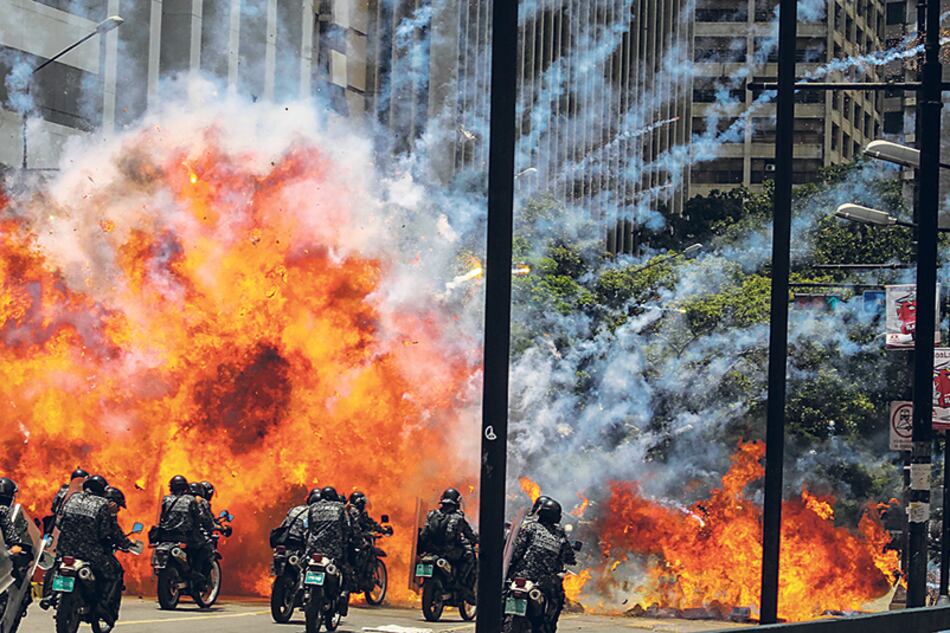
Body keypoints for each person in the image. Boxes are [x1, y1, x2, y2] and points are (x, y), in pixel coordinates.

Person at [53, 476, 125, 624]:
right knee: (115, 571)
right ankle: (103, 606)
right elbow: (105, 532)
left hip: (65, 550)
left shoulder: (72, 498)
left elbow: (59, 523)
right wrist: (123, 543)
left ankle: (51, 595)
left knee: (55, 567)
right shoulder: (102, 504)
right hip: (91, 554)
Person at [506, 498, 576, 633]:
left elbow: (516, 551)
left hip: (521, 576)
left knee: (502, 592)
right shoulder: (559, 534)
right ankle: (548, 627)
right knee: (557, 599)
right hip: (544, 581)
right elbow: (568, 556)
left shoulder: (528, 527)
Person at [418, 488, 478, 600]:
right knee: (470, 557)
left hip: (432, 551)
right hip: (449, 552)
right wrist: (474, 540)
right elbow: (469, 534)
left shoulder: (431, 514)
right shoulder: (458, 517)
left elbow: (424, 534)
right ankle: (462, 585)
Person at [305, 486, 353, 615]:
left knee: (303, 566)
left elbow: (309, 526)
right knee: (346, 571)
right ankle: (342, 595)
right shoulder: (340, 508)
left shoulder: (313, 507)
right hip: (333, 550)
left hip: (313, 549)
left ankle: (302, 589)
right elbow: (346, 528)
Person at [158, 476, 212, 584]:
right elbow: (198, 519)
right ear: (185, 488)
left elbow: (162, 517)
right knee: (206, 547)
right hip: (185, 536)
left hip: (166, 535)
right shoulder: (191, 500)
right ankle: (196, 574)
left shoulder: (166, 499)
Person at [102, 486, 134, 623]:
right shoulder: (106, 510)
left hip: (68, 549)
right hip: (93, 552)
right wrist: (126, 544)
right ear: (113, 502)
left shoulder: (79, 502)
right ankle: (107, 608)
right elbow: (113, 532)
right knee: (117, 572)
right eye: (118, 506)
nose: (118, 510)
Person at [346, 491, 392, 584]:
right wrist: (376, 532)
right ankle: (362, 578)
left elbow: (368, 522)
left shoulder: (348, 510)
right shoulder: (355, 512)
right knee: (367, 549)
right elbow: (356, 529)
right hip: (354, 540)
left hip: (345, 540)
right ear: (359, 503)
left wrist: (379, 529)